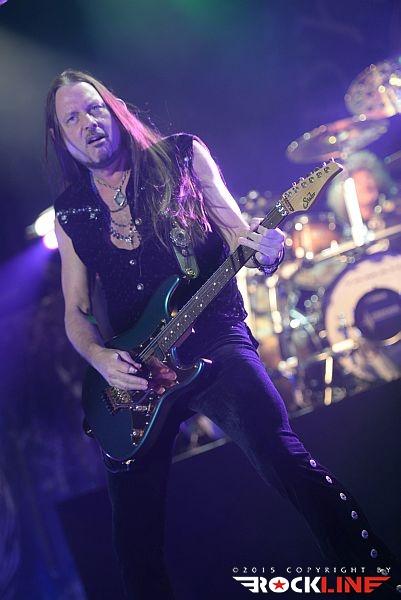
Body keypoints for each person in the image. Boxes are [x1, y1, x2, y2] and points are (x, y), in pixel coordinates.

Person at [47, 70, 400, 599]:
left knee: (283, 458)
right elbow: (75, 311)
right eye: (72, 117)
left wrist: (266, 249)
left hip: (213, 339)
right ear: (61, 137)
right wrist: (100, 358)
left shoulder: (180, 156)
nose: (87, 123)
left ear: (113, 111)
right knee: (133, 543)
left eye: (94, 108)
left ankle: (375, 581)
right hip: (137, 376)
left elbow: (238, 231)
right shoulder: (72, 212)